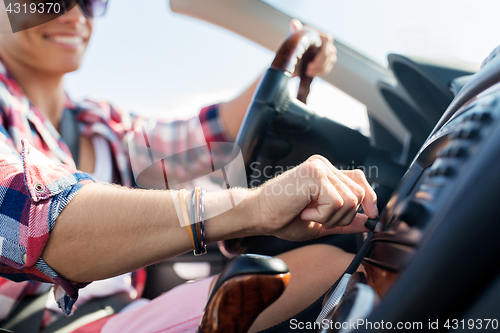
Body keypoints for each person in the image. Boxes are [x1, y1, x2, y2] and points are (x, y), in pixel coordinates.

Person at [0, 1, 378, 332]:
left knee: (337, 269)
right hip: (51, 324)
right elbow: (42, 221)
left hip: (123, 312)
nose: (73, 16)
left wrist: (287, 66)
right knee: (333, 271)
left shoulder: (98, 123)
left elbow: (210, 134)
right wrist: (254, 207)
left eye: (89, 2)